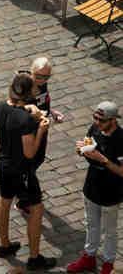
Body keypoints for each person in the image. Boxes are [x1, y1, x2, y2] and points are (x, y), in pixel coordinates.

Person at [0, 72, 53, 268]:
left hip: (3, 163)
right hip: (21, 170)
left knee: (4, 201)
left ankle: (4, 245)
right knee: (37, 209)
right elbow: (29, 153)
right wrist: (41, 130)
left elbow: (15, 112)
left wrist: (29, 111)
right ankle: (34, 257)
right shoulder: (25, 121)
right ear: (28, 93)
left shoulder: (1, 107)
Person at [72, 101, 123, 274]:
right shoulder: (94, 129)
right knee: (91, 224)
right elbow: (87, 147)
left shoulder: (121, 140)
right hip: (92, 187)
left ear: (113, 121)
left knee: (110, 230)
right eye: (95, 118)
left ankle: (108, 263)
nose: (97, 123)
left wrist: (102, 159)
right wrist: (81, 151)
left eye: (101, 120)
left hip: (112, 192)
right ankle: (89, 257)